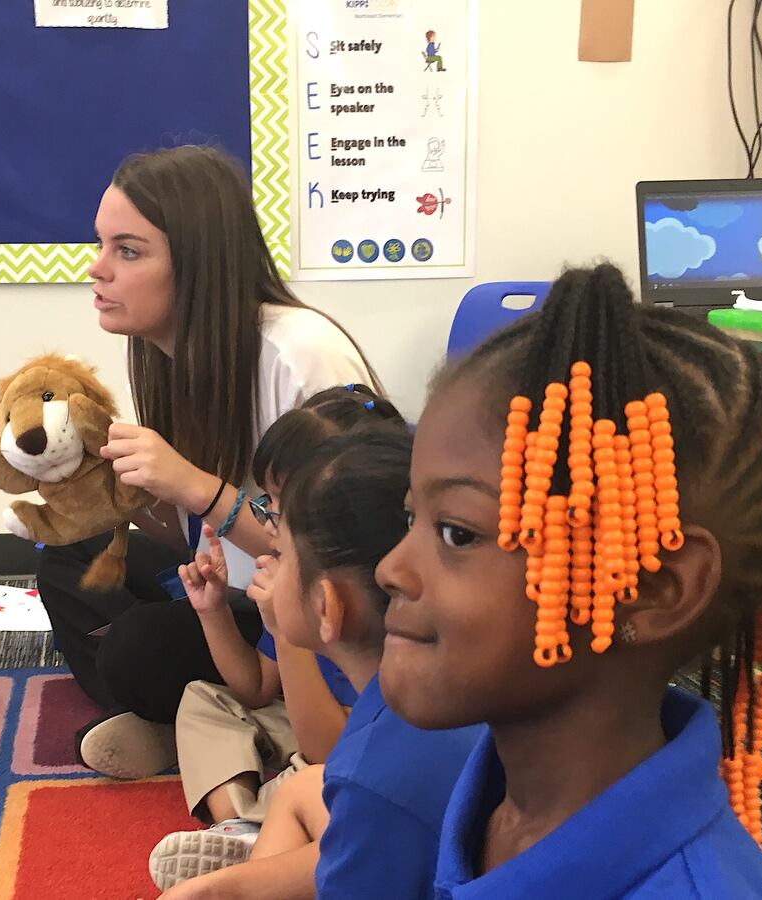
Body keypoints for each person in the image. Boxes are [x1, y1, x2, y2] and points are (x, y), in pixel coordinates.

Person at [377, 264, 762, 896]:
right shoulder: (493, 800)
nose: (389, 567)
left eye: (457, 533)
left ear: (652, 588)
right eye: (410, 516)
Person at [35, 144, 377, 772]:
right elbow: (197, 539)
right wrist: (114, 498)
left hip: (299, 607)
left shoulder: (301, 354)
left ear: (197, 265)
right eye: (102, 244)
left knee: (134, 650)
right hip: (227, 586)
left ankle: (221, 718)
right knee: (65, 558)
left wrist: (194, 485)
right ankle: (211, 712)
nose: (97, 269)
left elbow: (347, 555)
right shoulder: (170, 357)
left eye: (128, 251)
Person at [158, 429, 483, 899]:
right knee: (298, 790)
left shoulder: (370, 775)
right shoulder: (436, 692)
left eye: (283, 554)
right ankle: (238, 841)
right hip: (402, 835)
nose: (267, 557)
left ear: (329, 607)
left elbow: (377, 821)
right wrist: (220, 889)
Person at [147, 388, 407, 889]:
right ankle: (243, 827)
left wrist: (285, 633)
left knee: (304, 779)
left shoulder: (372, 633)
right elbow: (254, 689)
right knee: (204, 700)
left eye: (280, 518)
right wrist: (214, 612)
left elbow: (326, 752)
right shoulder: (328, 588)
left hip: (325, 746)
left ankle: (253, 836)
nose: (267, 535)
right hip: (307, 727)